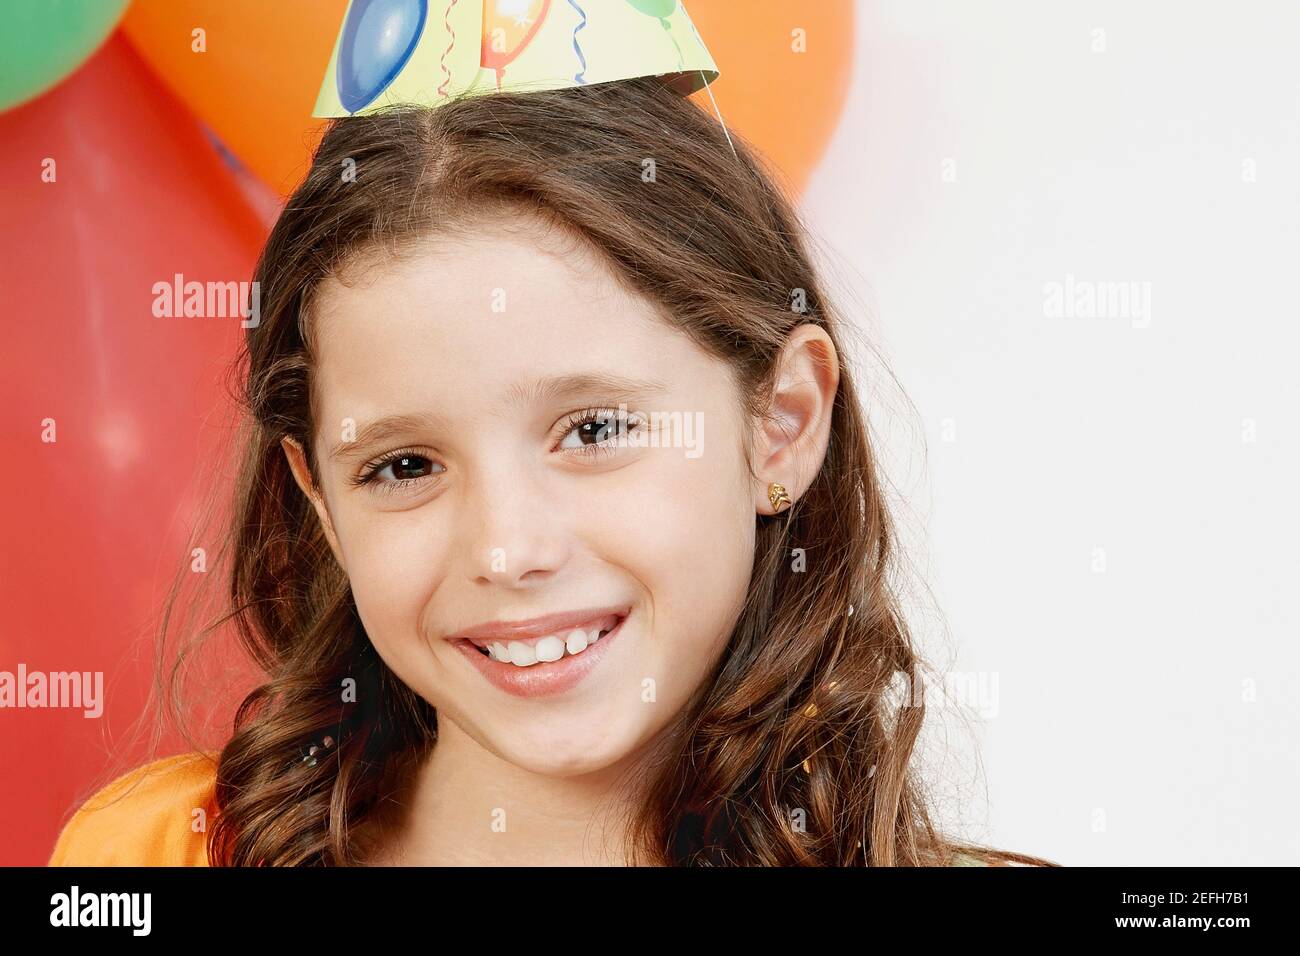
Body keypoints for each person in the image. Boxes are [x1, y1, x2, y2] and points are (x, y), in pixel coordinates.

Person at [49, 75, 1056, 868]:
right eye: (403, 464)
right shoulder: (157, 853)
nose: (507, 547)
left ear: (780, 424)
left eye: (594, 428)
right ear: (320, 498)